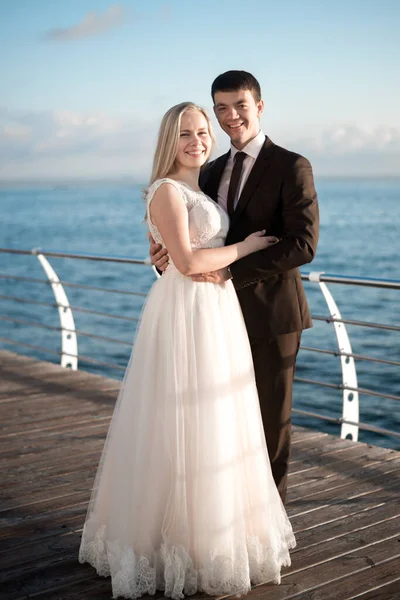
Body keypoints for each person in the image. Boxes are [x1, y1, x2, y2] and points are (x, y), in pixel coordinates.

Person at [79, 101, 296, 599]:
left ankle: (214, 537)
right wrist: (247, 248)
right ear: (168, 141)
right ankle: (168, 541)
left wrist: (190, 260)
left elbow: (182, 256)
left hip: (216, 312)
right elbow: (188, 259)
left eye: (202, 131)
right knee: (177, 417)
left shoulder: (204, 185)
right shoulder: (166, 190)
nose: (197, 140)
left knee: (216, 417)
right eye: (185, 134)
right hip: (185, 312)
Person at [151, 71, 319, 502]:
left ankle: (270, 524)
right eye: (221, 108)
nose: (231, 116)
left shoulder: (291, 165)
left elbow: (302, 244)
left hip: (270, 312)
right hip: (210, 315)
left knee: (269, 423)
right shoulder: (206, 171)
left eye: (239, 105)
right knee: (218, 421)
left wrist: (232, 273)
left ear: (259, 106)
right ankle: (224, 513)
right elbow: (191, 238)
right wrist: (164, 260)